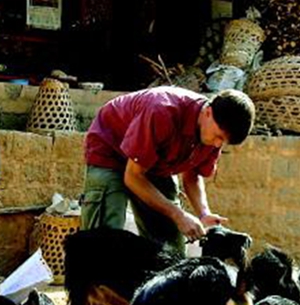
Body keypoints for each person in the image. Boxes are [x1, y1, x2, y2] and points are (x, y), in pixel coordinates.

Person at [82, 86, 255, 254]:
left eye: (223, 141)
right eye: (218, 136)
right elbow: (133, 177)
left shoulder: (213, 132)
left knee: (170, 248)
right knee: (104, 243)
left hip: (155, 162)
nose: (218, 144)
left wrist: (203, 213)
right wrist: (178, 215)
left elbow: (192, 175)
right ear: (208, 112)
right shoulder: (162, 111)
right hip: (110, 149)